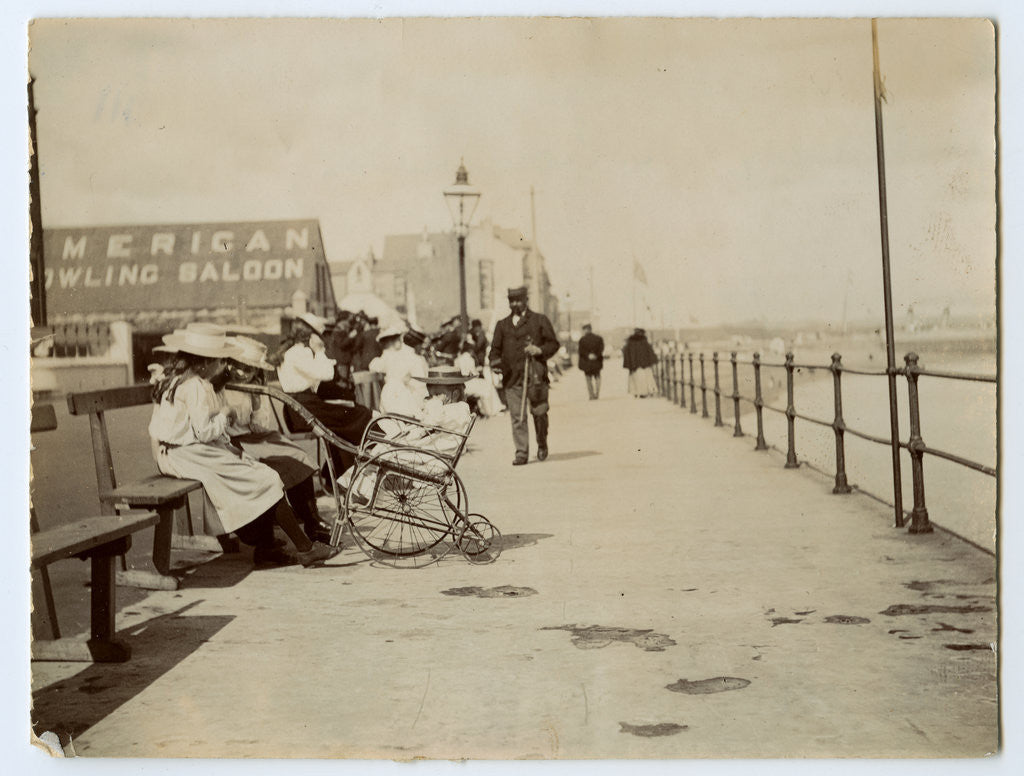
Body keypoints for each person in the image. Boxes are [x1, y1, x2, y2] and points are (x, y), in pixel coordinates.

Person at [147, 322, 339, 568]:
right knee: (265, 477)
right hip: (187, 454)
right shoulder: (195, 386)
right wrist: (225, 414)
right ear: (205, 362)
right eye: (219, 360)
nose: (222, 365)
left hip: (176, 453)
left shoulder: (173, 381)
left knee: (258, 472)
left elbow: (167, 428)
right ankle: (304, 548)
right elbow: (204, 432)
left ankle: (271, 546)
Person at [220, 335, 333, 548]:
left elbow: (260, 425)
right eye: (239, 367)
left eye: (250, 369)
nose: (243, 373)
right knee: (277, 462)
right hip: (232, 439)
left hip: (254, 435)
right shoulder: (222, 387)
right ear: (230, 364)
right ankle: (293, 522)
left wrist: (255, 405)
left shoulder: (255, 387)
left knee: (298, 456)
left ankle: (311, 520)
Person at [338, 365, 474, 501]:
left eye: (437, 395)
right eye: (431, 394)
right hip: (429, 452)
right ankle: (357, 486)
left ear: (455, 394)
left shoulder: (458, 410)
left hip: (435, 458)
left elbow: (432, 420)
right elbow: (429, 421)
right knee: (381, 450)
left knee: (382, 453)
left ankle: (361, 490)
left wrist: (431, 405)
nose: (433, 399)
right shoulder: (448, 409)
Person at [272, 311, 374, 476]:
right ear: (310, 336)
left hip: (301, 408)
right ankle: (342, 474)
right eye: (320, 335)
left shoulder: (293, 352)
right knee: (359, 415)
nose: (323, 339)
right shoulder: (299, 353)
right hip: (303, 411)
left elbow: (318, 384)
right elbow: (327, 374)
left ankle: (336, 473)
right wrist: (319, 351)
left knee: (349, 418)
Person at [489, 285, 559, 465]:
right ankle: (521, 453)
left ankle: (542, 443)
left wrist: (539, 349)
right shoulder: (502, 325)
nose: (515, 304)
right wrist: (496, 364)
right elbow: (494, 351)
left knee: (540, 413)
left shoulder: (539, 320)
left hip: (535, 376)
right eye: (512, 301)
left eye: (518, 300)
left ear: (526, 300)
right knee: (517, 416)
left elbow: (553, 344)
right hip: (512, 378)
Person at [368, 323, 428, 417]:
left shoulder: (401, 354)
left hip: (405, 393)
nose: (400, 342)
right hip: (398, 395)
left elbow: (374, 366)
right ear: (390, 342)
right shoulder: (391, 355)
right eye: (398, 339)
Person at [622, 327, 659, 398]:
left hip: (634, 366)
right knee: (646, 378)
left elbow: (627, 354)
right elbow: (650, 352)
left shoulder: (630, 342)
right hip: (644, 365)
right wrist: (652, 361)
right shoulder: (644, 341)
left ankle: (636, 392)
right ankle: (645, 392)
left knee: (635, 378)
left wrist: (629, 364)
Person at [577, 323, 605, 400]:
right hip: (597, 361)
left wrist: (588, 355)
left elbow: (581, 351)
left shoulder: (582, 340)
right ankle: (597, 394)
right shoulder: (599, 338)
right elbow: (601, 349)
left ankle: (591, 395)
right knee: (598, 377)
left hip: (587, 362)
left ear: (586, 330)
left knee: (588, 378)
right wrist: (596, 355)